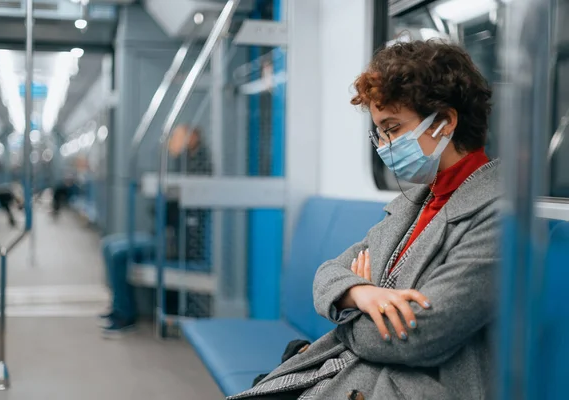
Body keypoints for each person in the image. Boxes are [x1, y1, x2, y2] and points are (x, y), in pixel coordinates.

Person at [228, 40, 499, 400]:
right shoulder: (412, 203)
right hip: (362, 371)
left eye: (393, 128)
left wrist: (347, 313)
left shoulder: (497, 215)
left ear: (445, 122)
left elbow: (419, 335)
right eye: (380, 132)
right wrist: (362, 291)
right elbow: (328, 273)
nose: (385, 144)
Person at [100, 124, 212, 337]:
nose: (171, 142)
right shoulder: (184, 164)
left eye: (176, 136)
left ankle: (125, 314)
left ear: (191, 137)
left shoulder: (198, 166)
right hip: (167, 236)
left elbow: (173, 211)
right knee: (108, 244)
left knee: (118, 253)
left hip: (177, 243)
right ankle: (118, 307)